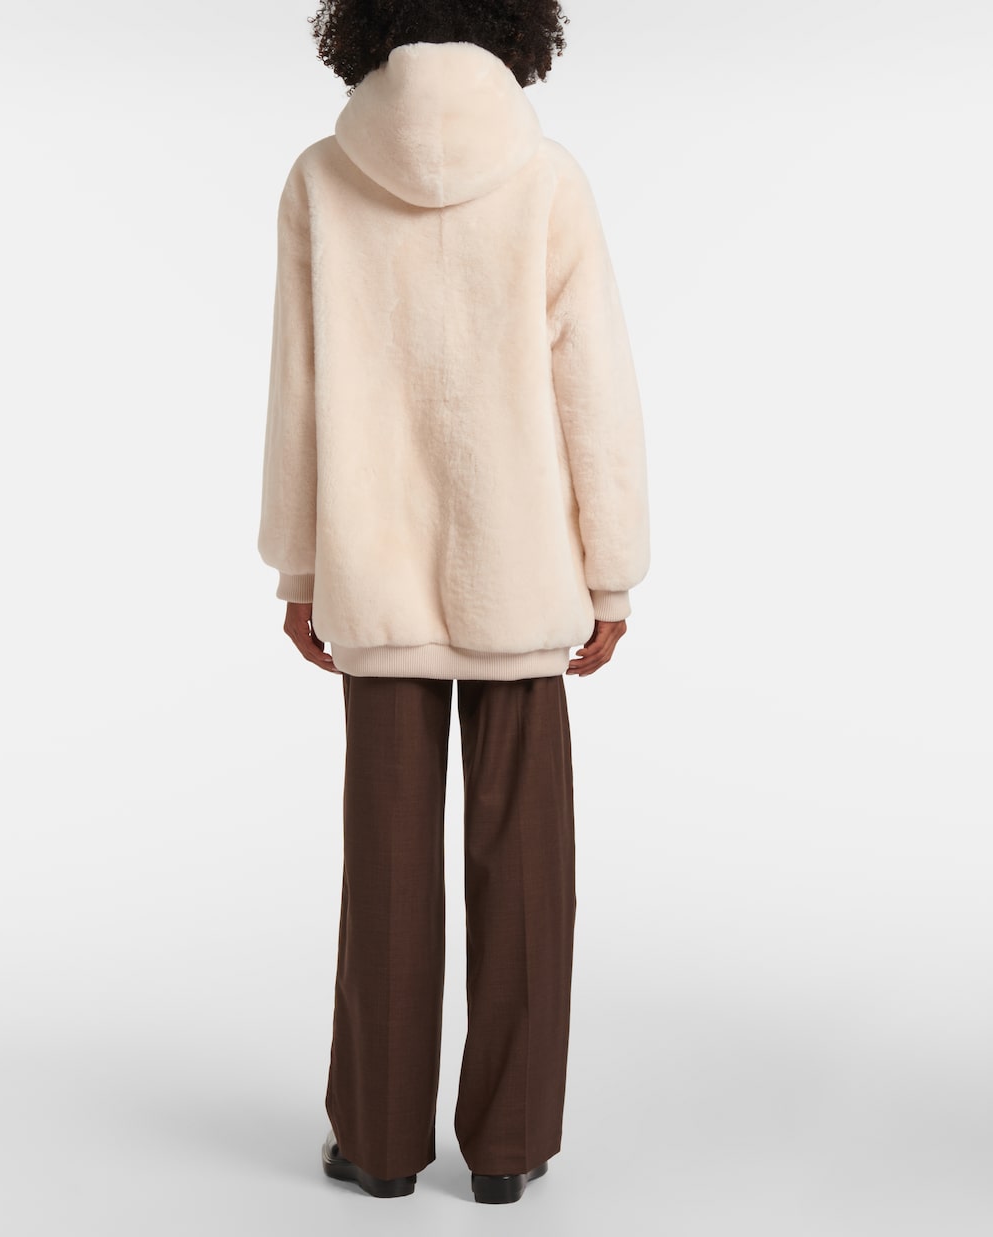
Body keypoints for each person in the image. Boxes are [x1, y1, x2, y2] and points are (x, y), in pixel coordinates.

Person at [257, 0, 650, 1206]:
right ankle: (508, 1142)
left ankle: (377, 1143)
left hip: (373, 578)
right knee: (525, 868)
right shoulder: (544, 177)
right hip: (517, 576)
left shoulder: (322, 177)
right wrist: (608, 570)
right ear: (518, 26)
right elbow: (592, 384)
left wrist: (301, 568)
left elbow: (297, 390)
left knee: (383, 865)